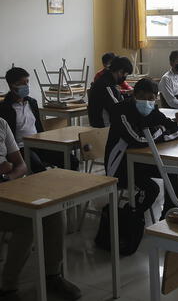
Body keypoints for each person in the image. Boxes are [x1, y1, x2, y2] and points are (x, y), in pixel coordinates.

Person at [0, 117, 82, 300]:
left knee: (53, 211)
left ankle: (53, 275)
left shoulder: (2, 124)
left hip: (7, 189)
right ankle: (8, 286)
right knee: (27, 222)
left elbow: (21, 165)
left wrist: (9, 177)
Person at [105, 78, 178, 219]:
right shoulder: (121, 111)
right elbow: (137, 139)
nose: (146, 102)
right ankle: (130, 217)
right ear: (134, 95)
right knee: (152, 189)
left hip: (141, 162)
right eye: (142, 97)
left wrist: (160, 133)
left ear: (155, 98)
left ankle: (169, 215)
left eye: (150, 98)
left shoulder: (152, 110)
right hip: (120, 166)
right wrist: (160, 131)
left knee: (173, 170)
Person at [0, 67, 79, 172]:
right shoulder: (5, 108)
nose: (26, 86)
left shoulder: (32, 103)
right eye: (22, 83)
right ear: (12, 85)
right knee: (39, 168)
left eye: (27, 82)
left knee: (72, 160)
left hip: (38, 142)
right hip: (20, 148)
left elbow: (39, 127)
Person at [88, 56, 133, 128]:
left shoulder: (107, 81)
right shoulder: (106, 85)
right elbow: (118, 109)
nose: (125, 78)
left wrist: (128, 95)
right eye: (125, 75)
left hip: (104, 125)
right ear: (120, 71)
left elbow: (115, 97)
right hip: (104, 129)